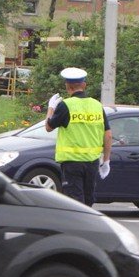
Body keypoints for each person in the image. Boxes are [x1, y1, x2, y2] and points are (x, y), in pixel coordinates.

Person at [45, 67, 112, 207]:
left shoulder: (66, 105)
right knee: (88, 201)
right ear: (84, 85)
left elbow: (48, 127)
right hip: (92, 163)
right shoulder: (97, 105)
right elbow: (108, 134)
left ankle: (79, 227)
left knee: (75, 203)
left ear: (67, 86)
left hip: (72, 164)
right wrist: (106, 161)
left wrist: (51, 107)